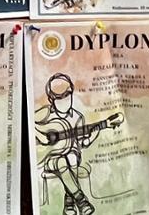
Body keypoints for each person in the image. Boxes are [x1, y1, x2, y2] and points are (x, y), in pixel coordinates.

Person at [37, 74, 120, 215]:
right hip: (49, 157)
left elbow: (82, 144)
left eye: (67, 95)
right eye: (59, 98)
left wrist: (94, 133)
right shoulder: (45, 113)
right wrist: (41, 137)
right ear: (51, 99)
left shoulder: (77, 117)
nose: (64, 100)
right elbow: (31, 125)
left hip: (72, 154)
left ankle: (70, 201)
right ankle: (80, 200)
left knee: (70, 157)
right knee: (61, 160)